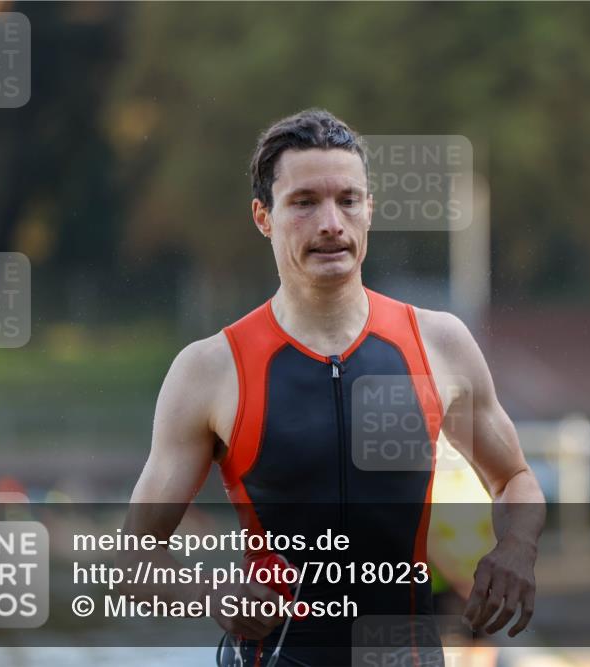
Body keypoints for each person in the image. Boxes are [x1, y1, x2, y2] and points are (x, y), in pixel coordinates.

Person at [120, 109, 546, 666]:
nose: (330, 223)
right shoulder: (210, 370)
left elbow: (514, 477)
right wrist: (208, 593)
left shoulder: (440, 344)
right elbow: (131, 559)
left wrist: (517, 547)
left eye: (348, 200)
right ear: (263, 217)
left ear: (369, 210)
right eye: (304, 202)